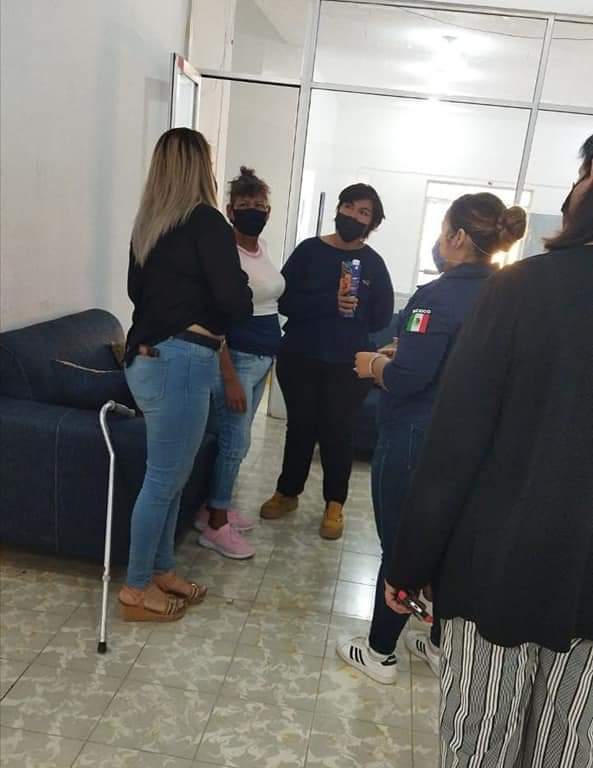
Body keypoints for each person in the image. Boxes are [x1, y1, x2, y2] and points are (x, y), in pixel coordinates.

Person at [385, 135, 593, 766]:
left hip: (499, 570)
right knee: (568, 749)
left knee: (482, 745)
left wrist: (409, 562)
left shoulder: (524, 288)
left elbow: (456, 447)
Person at [337, 192, 526, 683]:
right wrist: (405, 352)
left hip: (414, 435)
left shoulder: (438, 296)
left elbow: (408, 379)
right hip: (472, 442)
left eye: (443, 231)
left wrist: (374, 365)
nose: (440, 242)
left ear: (458, 237)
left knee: (401, 542)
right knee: (445, 540)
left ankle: (379, 651)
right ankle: (440, 643)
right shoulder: (508, 293)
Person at [119, 129, 252, 621]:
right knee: (163, 480)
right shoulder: (207, 222)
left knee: (172, 476)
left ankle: (161, 569)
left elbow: (136, 294)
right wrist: (236, 286)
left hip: (148, 360)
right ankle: (136, 588)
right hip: (182, 362)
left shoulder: (148, 226)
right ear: (200, 167)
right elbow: (235, 300)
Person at [260, 184, 394, 539]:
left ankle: (335, 503)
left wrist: (355, 309)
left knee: (338, 431)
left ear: (372, 223)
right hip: (300, 355)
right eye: (348, 206)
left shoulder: (374, 264)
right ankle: (287, 492)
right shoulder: (309, 251)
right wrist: (328, 302)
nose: (353, 216)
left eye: (363, 212)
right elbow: (284, 301)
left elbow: (381, 317)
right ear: (337, 209)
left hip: (348, 363)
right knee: (300, 427)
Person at [194, 167, 284, 559]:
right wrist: (228, 374)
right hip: (238, 359)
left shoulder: (261, 249)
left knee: (233, 438)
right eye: (245, 205)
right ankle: (215, 526)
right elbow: (214, 317)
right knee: (235, 441)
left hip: (263, 358)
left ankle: (215, 506)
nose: (254, 211)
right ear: (230, 211)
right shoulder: (224, 254)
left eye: (260, 205)